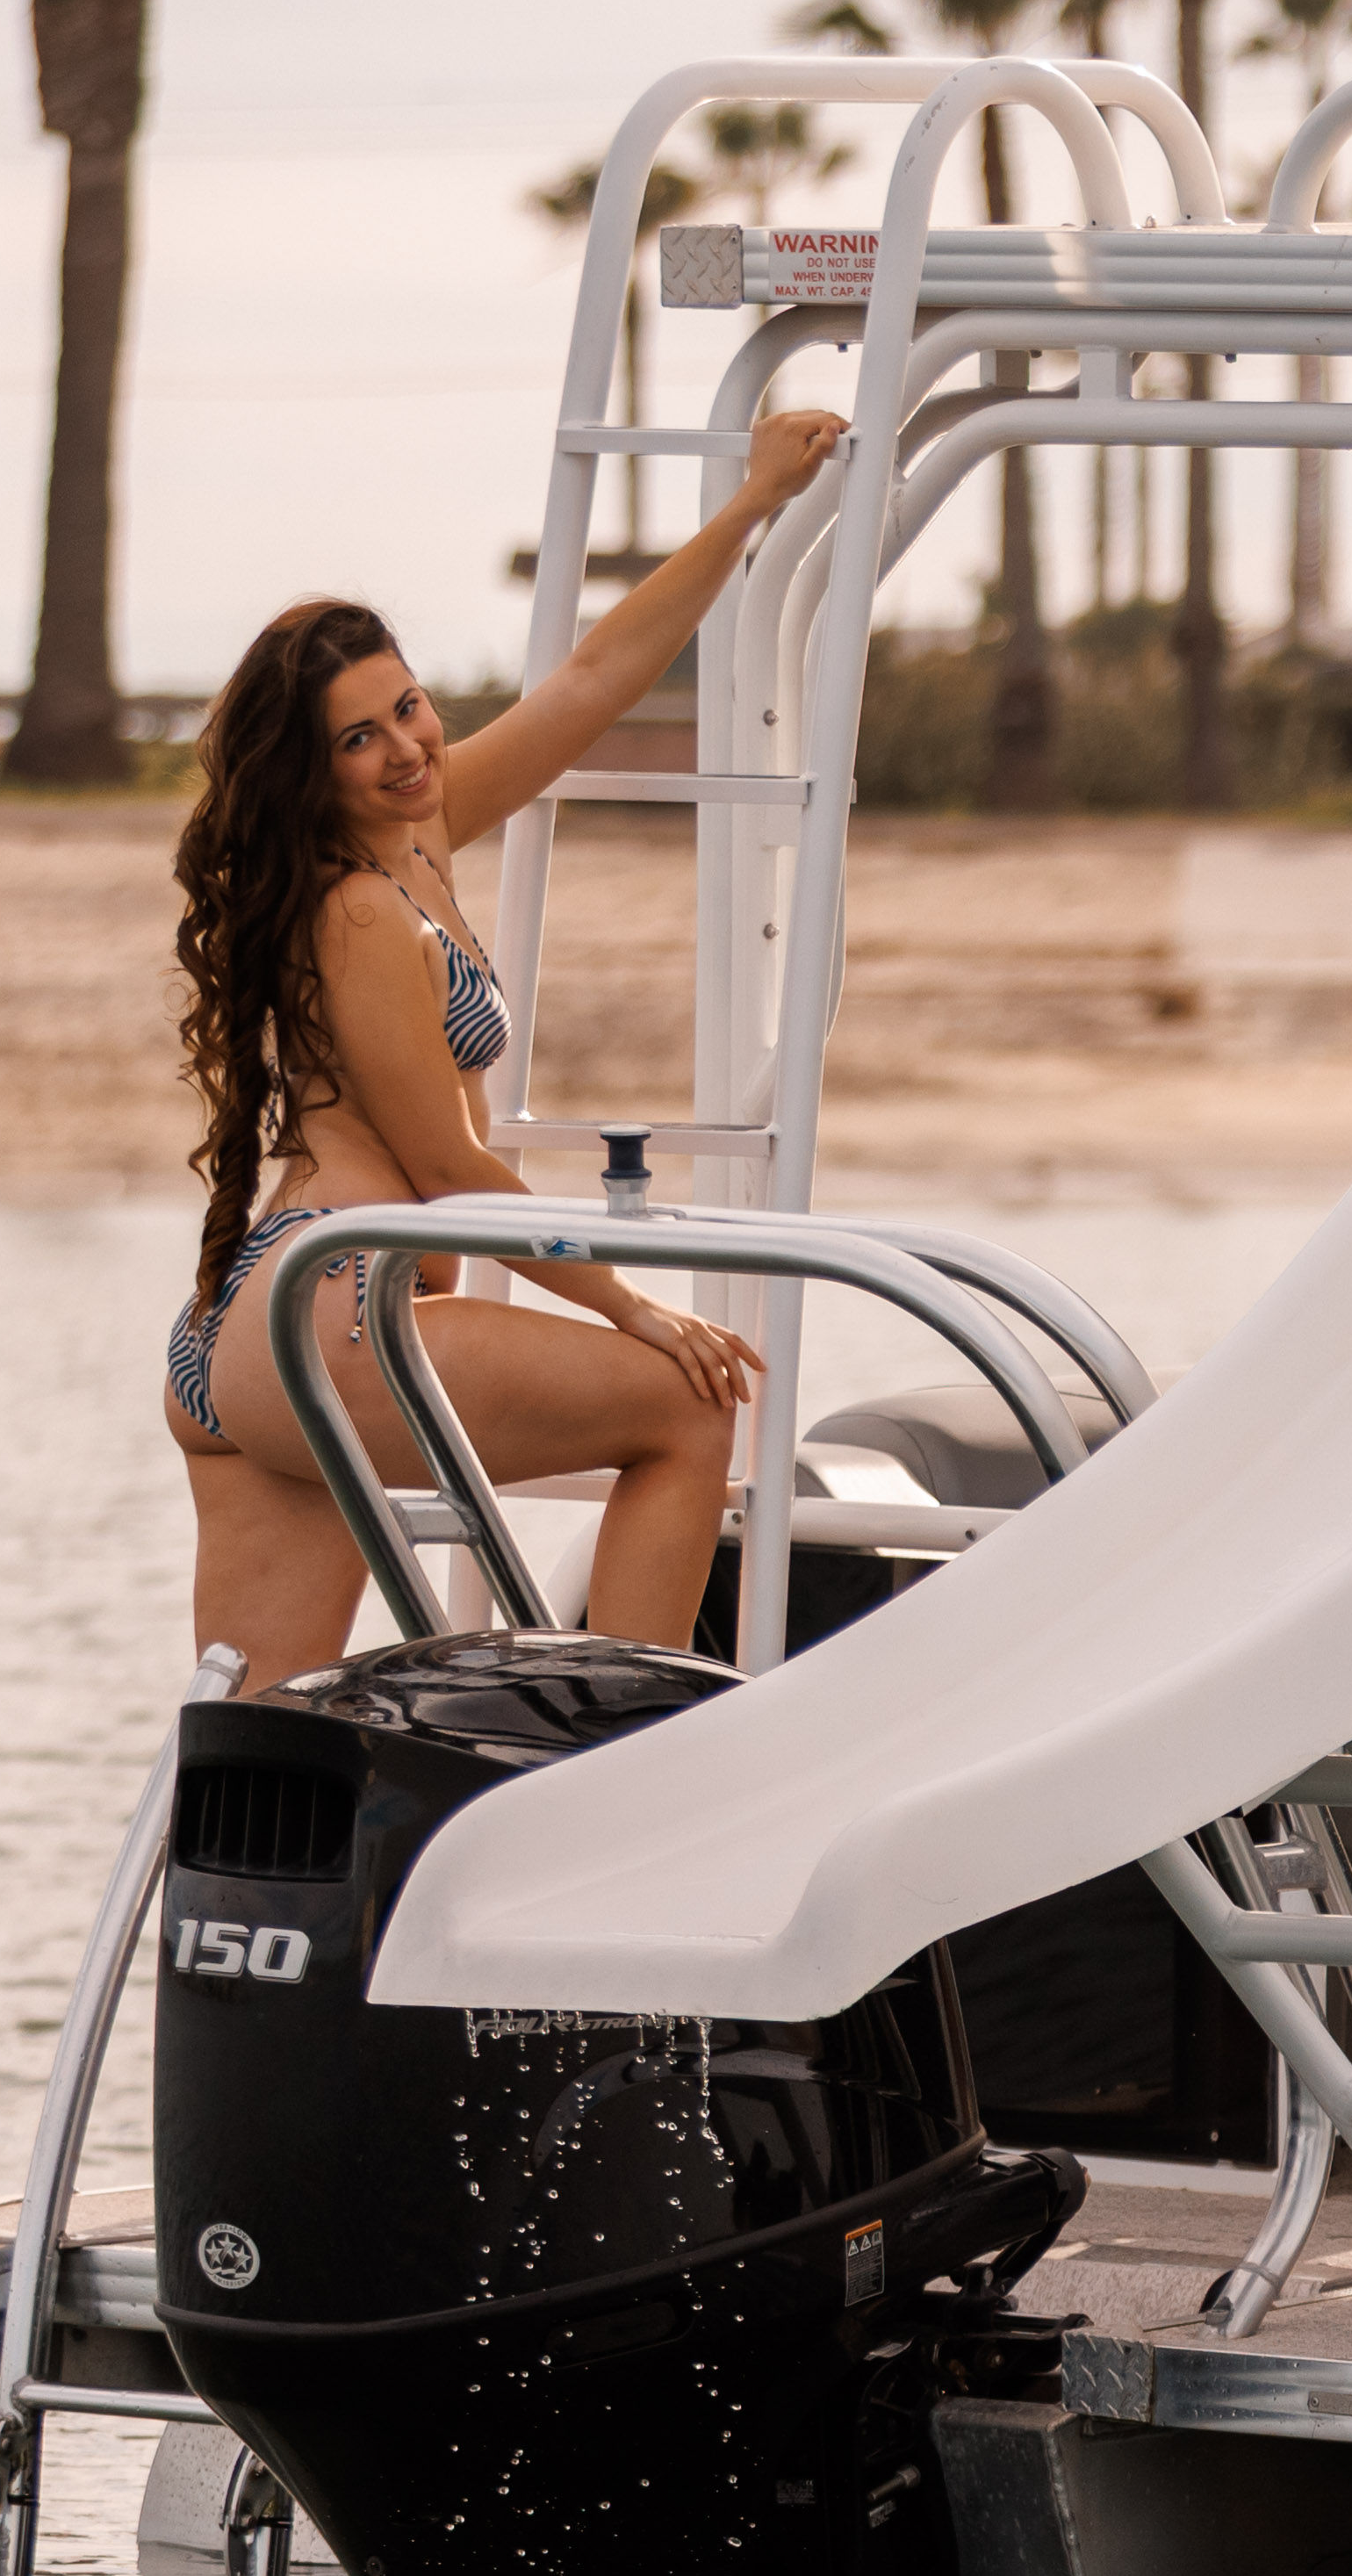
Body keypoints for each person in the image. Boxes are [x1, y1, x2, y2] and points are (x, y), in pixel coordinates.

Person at [167, 404, 854, 1686]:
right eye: (359, 738)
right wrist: (633, 1306)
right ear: (311, 772)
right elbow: (448, 1171)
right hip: (332, 1319)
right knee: (685, 1407)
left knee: (252, 1743)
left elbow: (592, 681)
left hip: (262, 1335)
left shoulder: (412, 839)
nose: (405, 749)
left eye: (408, 708)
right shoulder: (360, 910)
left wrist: (752, 505)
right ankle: (616, 1771)